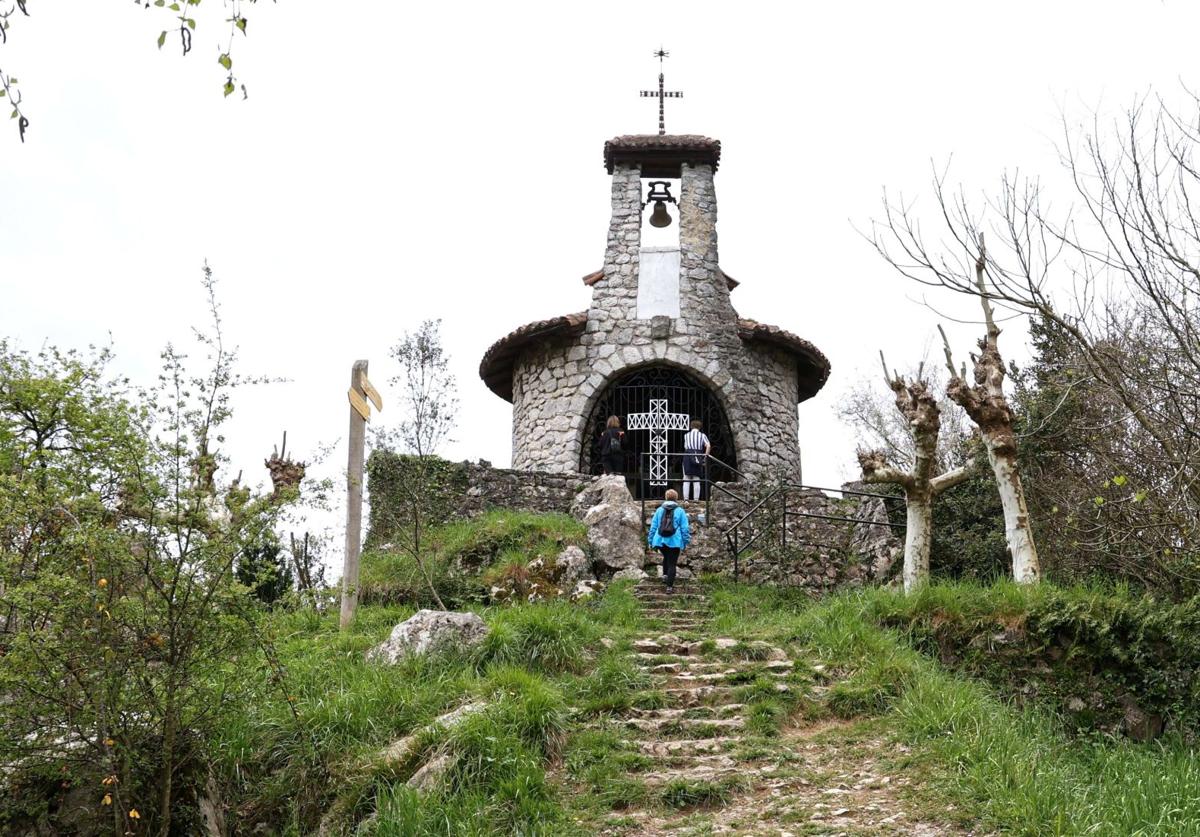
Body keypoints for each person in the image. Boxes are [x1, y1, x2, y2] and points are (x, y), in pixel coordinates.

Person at [647, 488, 690, 592]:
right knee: (672, 563)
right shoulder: (680, 511)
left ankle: (665, 576)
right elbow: (685, 529)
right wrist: (685, 542)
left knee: (666, 556)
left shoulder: (659, 510)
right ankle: (669, 587)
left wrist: (650, 540)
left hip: (660, 540)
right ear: (676, 498)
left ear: (666, 497)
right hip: (674, 540)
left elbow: (653, 526)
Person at [681, 419, 711, 501]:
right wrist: (705, 457)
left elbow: (686, 447)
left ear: (691, 426)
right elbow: (708, 446)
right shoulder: (702, 435)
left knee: (686, 479)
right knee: (696, 479)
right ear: (700, 427)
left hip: (688, 456)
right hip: (698, 456)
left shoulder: (686, 435)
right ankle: (696, 499)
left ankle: (686, 499)